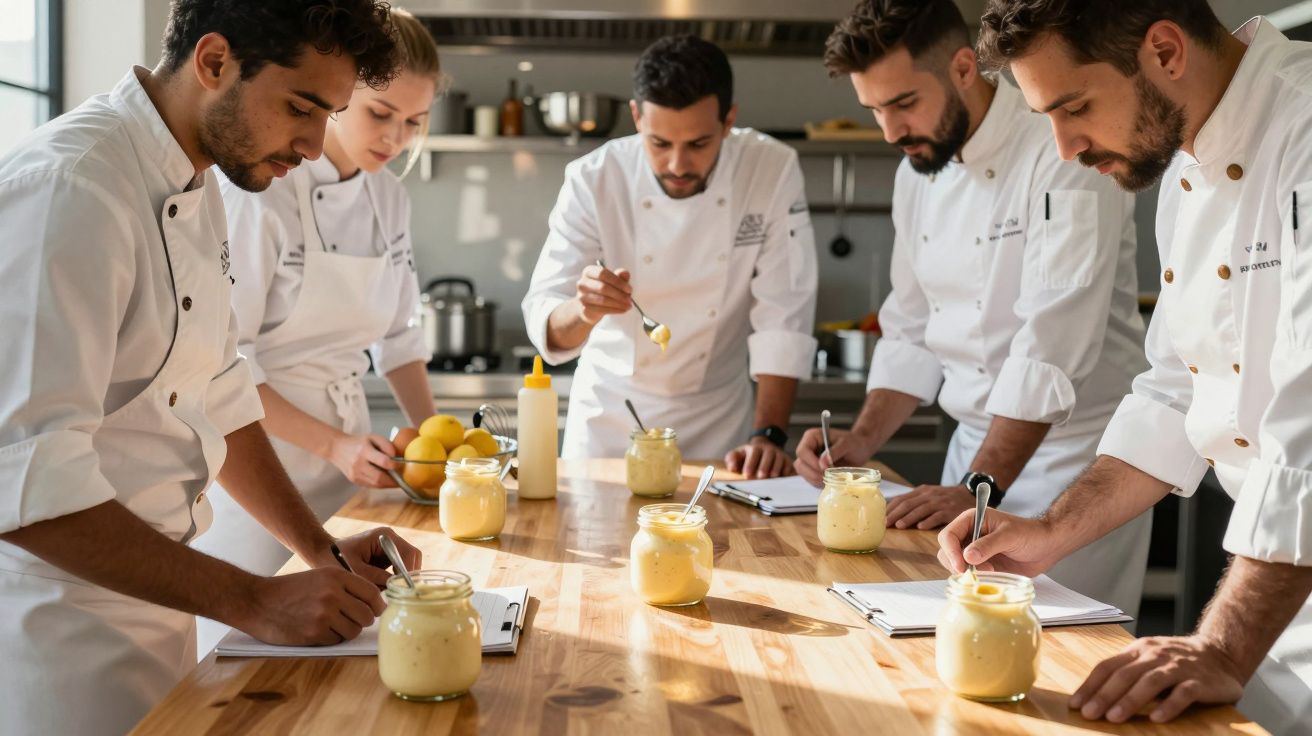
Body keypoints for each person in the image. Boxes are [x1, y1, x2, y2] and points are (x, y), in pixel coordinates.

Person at [0, 3, 421, 734]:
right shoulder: (74, 186)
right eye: (301, 106)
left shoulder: (199, 180)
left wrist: (320, 553)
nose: (317, 144)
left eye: (330, 114)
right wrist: (254, 600)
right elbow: (22, 481)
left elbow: (218, 393)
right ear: (215, 61)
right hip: (57, 627)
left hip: (163, 603)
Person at [936, 1, 1312, 730]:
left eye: (1073, 107)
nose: (1065, 147)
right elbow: (1175, 391)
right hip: (1287, 579)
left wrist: (1223, 646)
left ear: (1165, 51)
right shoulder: (1185, 171)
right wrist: (1050, 529)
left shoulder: (1306, 129)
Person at [796, 0, 1151, 617]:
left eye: (904, 103)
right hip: (975, 455)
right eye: (875, 110)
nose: (889, 132)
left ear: (964, 68)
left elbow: (1052, 341)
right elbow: (909, 326)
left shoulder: (1062, 147)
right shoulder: (918, 174)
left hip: (1077, 468)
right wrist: (861, 438)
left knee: (1063, 663)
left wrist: (977, 486)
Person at [194, 8, 441, 582]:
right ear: (342, 95)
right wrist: (334, 446)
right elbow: (228, 363)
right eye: (381, 113)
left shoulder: (389, 200)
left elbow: (400, 338)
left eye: (415, 122)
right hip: (261, 472)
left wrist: (440, 451)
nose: (396, 138)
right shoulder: (264, 189)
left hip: (350, 472)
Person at [522, 35, 818, 476]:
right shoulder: (594, 179)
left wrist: (769, 435)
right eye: (659, 144)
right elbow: (546, 320)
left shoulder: (770, 169)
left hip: (719, 427)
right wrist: (583, 310)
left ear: (728, 120)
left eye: (698, 144)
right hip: (609, 425)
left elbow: (785, 311)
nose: (678, 164)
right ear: (637, 116)